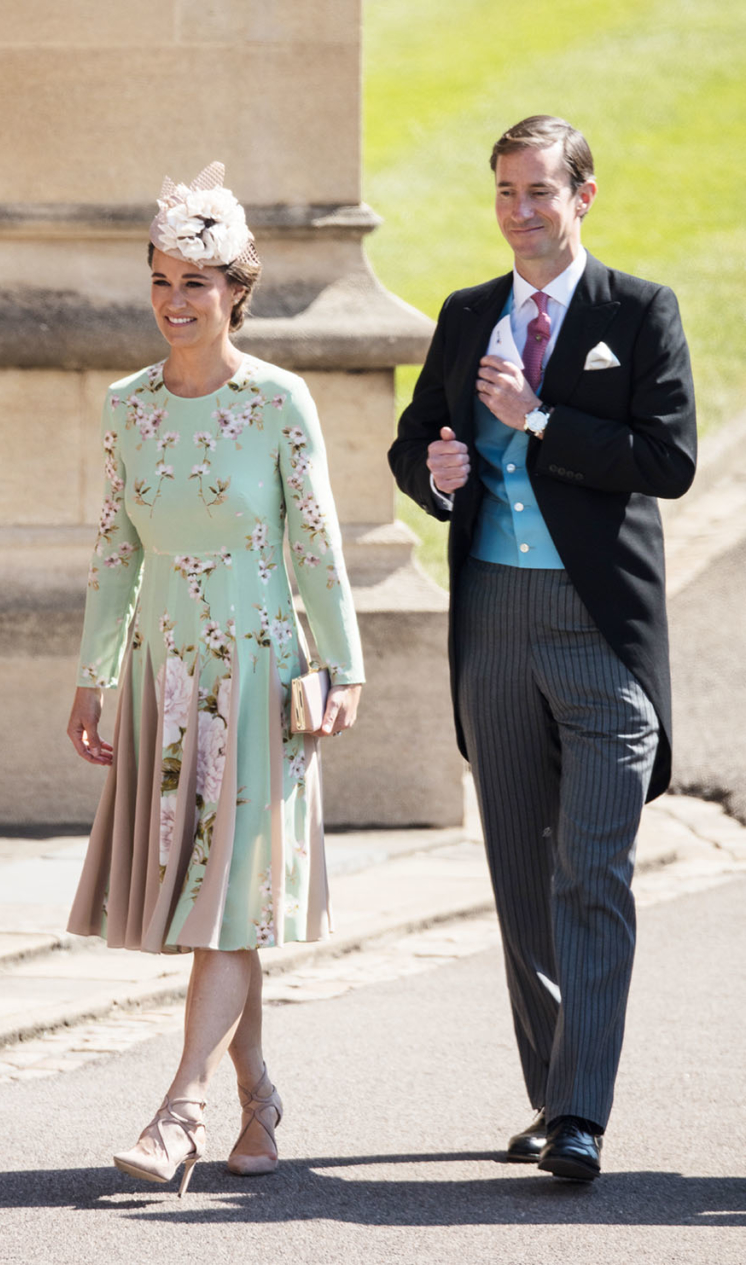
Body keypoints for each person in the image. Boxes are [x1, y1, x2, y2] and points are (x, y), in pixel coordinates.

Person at [388, 116, 695, 1181]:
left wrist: (542, 419)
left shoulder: (638, 312)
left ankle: (580, 1113)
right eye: (508, 193)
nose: (522, 210)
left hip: (601, 629)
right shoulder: (469, 313)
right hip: (494, 618)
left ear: (584, 197)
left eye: (541, 192)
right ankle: (551, 1089)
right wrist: (437, 470)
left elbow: (672, 459)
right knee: (521, 876)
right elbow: (414, 439)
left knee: (591, 871)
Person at [66, 162, 364, 1196]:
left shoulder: (280, 401)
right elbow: (116, 549)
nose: (175, 302)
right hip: (164, 679)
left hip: (260, 679)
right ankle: (256, 1099)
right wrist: (95, 673)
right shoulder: (126, 407)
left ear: (238, 289)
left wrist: (342, 662)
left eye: (197, 282)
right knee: (217, 907)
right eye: (162, 280)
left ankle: (179, 1109)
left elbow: (317, 543)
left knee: (228, 902)